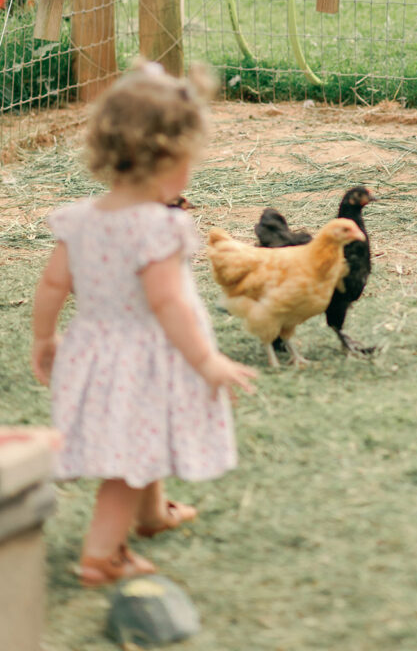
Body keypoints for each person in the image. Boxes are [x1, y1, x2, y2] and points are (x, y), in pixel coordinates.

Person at [31, 62, 257, 587]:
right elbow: (168, 304)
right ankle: (101, 554)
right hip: (144, 355)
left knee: (139, 437)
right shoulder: (160, 227)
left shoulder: (80, 218)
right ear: (168, 161)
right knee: (124, 463)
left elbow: (50, 286)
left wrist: (45, 337)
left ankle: (152, 515)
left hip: (93, 349)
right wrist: (206, 359)